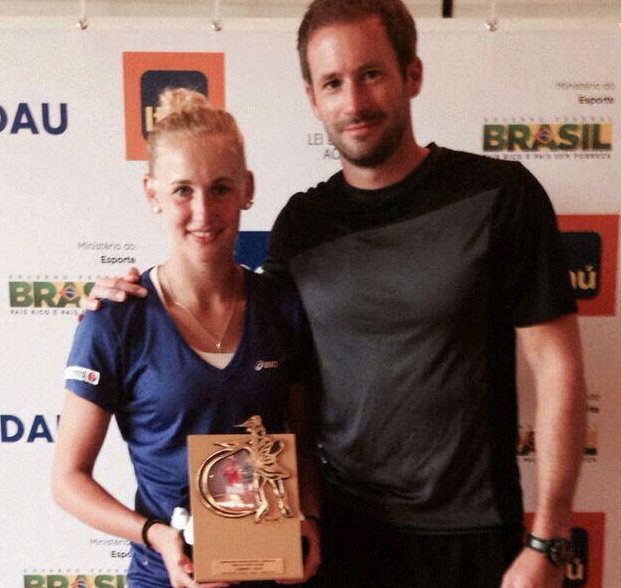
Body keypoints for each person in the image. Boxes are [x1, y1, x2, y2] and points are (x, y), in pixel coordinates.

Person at [86, 1, 587, 586]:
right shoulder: (302, 226)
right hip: (340, 541)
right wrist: (121, 301)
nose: (353, 102)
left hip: (472, 539)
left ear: (412, 74)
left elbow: (558, 369)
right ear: (313, 98)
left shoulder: (499, 196)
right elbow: (248, 342)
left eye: (371, 74)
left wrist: (547, 541)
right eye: (332, 83)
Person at [52, 89, 321, 588]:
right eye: (182, 190)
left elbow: (302, 446)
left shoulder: (283, 308)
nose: (203, 212)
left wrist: (309, 519)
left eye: (220, 188)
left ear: (247, 189)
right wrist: (154, 534)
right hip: (163, 577)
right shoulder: (115, 319)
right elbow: (68, 479)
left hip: (269, 575)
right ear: (152, 193)